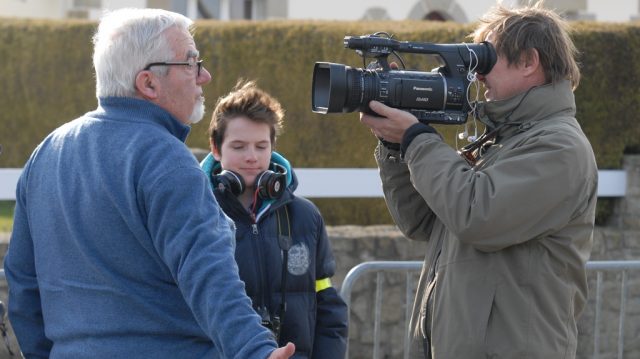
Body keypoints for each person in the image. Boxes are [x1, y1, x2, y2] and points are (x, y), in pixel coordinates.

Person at [3, 8, 294, 359]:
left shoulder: (46, 153)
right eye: (191, 63)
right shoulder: (166, 159)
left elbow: (22, 281)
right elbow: (208, 273)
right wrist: (256, 350)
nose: (204, 75)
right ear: (148, 83)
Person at [359, 2, 597, 358]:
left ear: (530, 61)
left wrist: (416, 138)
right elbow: (422, 221)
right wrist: (396, 146)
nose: (478, 75)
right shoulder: (503, 140)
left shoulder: (559, 147)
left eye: (485, 59)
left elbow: (477, 215)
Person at [201, 80, 348, 358]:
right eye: (239, 146)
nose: (252, 157)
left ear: (273, 148)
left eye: (261, 146)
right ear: (216, 149)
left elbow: (328, 307)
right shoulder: (196, 215)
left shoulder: (306, 216)